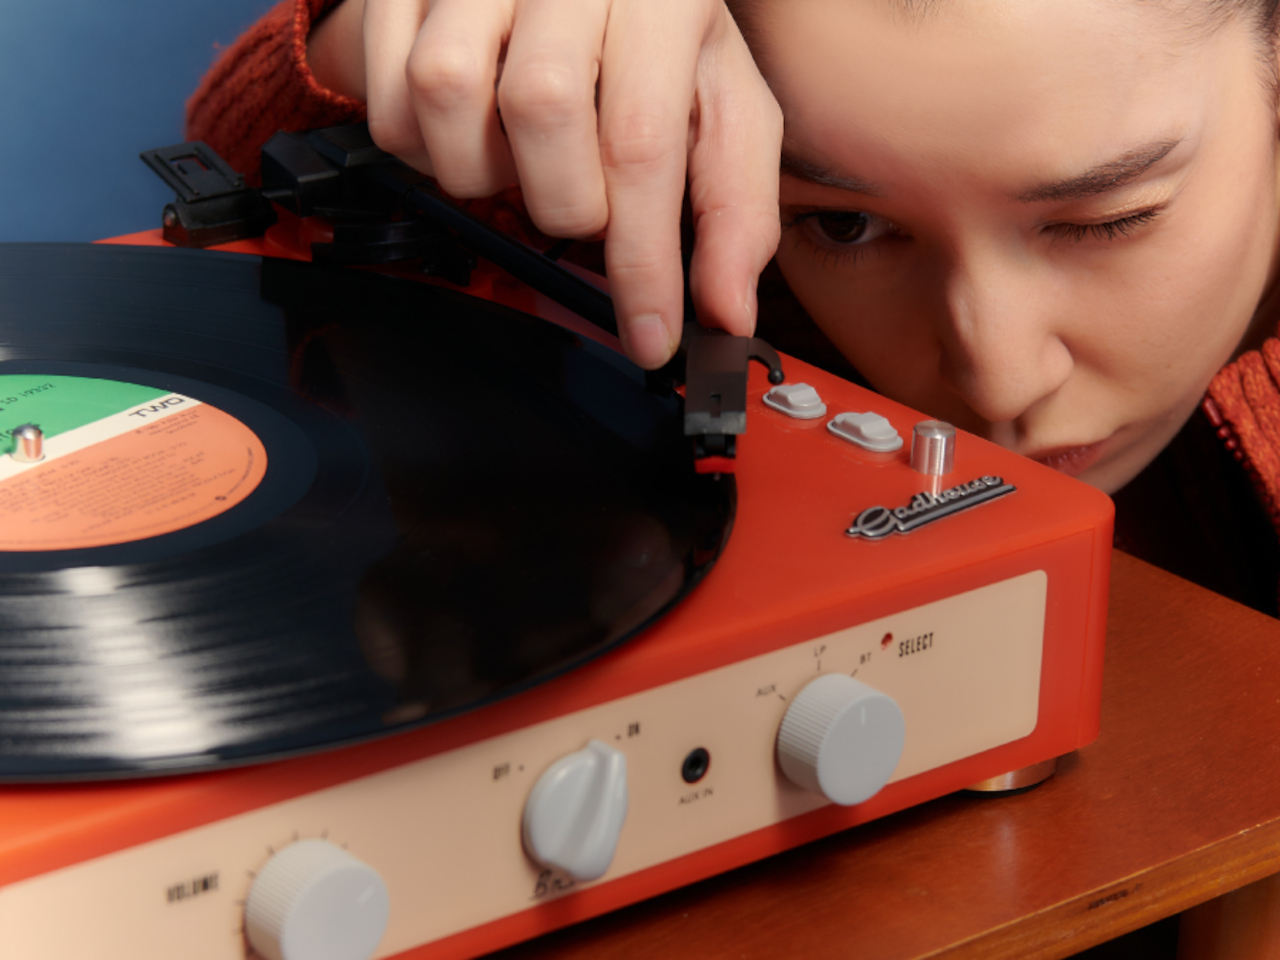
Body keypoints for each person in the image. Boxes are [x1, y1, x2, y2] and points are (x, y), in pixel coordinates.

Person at [188, 1, 1280, 955]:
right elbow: (256, 212)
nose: (996, 374)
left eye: (1107, 220)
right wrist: (427, 42)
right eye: (843, 223)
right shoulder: (706, 215)